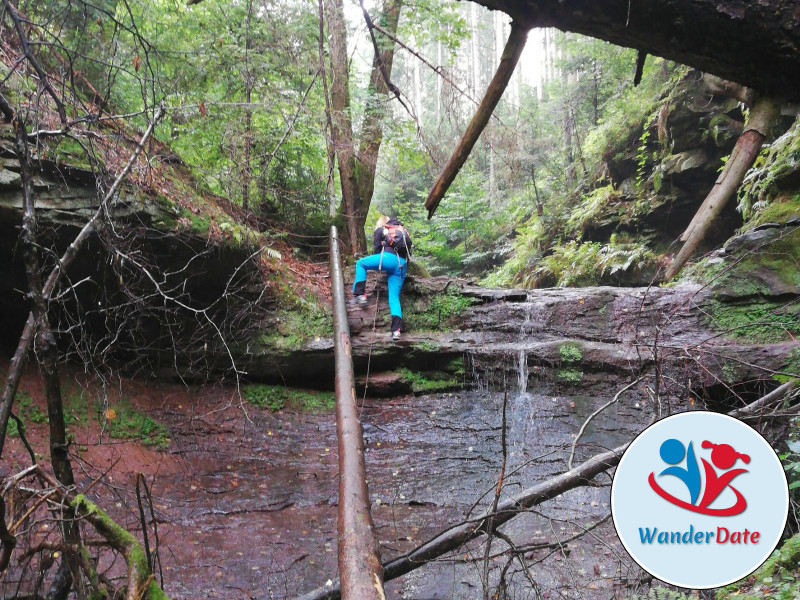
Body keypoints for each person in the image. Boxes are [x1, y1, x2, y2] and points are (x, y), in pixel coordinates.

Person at [351, 215, 412, 340]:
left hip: (388, 259)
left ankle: (360, 294)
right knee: (394, 298)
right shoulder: (402, 232)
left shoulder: (381, 230)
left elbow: (377, 250)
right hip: (401, 265)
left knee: (360, 264)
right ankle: (396, 331)